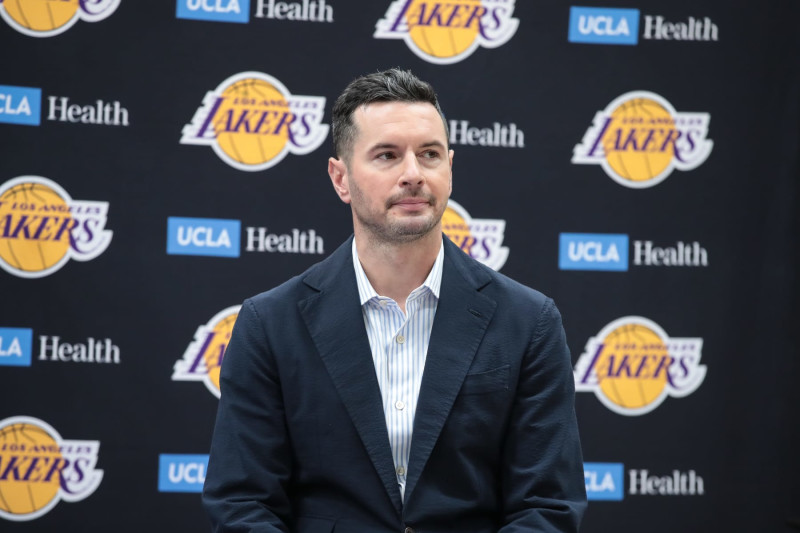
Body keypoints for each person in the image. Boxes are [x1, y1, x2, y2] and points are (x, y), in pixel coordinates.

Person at [202, 68, 587, 532]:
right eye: (387, 155)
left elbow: (547, 505)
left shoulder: (529, 322)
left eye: (429, 154)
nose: (412, 174)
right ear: (340, 178)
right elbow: (243, 504)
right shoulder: (270, 324)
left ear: (450, 168)